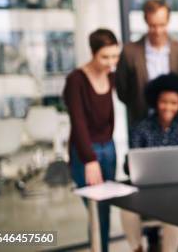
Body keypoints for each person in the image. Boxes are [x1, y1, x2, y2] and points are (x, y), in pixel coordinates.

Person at [120, 73, 178, 252]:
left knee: (174, 213)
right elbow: (131, 161)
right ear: (155, 101)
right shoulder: (141, 126)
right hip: (145, 191)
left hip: (176, 192)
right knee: (126, 210)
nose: (168, 107)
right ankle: (137, 248)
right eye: (164, 101)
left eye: (173, 102)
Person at [63, 28, 119, 252]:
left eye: (115, 56)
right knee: (95, 210)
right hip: (86, 152)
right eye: (105, 57)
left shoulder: (111, 75)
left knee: (105, 209)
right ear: (93, 53)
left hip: (109, 148)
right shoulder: (76, 80)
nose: (111, 62)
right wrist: (90, 159)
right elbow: (78, 123)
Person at [115, 0, 178, 130]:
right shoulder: (130, 52)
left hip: (175, 124)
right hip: (140, 122)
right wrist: (138, 104)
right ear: (146, 21)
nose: (158, 31)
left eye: (162, 25)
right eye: (153, 26)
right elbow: (122, 91)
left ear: (168, 21)